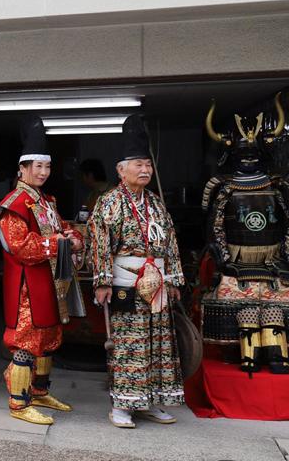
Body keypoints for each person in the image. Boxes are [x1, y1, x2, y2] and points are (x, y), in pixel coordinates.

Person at [89, 115, 185, 429]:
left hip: (157, 285)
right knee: (129, 342)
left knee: (158, 343)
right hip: (126, 283)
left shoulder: (156, 203)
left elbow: (169, 241)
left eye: (148, 165)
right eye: (138, 165)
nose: (145, 170)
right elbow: (101, 242)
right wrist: (102, 280)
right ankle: (123, 405)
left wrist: (173, 278)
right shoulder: (110, 202)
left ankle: (150, 401)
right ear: (121, 170)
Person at [200, 97, 289, 375]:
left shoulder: (279, 186)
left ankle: (277, 356)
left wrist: (285, 256)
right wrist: (223, 260)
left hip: (273, 260)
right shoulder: (224, 188)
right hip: (236, 258)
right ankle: (241, 354)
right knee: (229, 300)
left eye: (253, 153)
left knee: (288, 299)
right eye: (242, 153)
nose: (248, 158)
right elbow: (216, 227)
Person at [0, 118, 82, 426]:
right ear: (22, 168)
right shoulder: (15, 203)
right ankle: (18, 403)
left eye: (47, 167)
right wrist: (58, 243)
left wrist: (73, 237)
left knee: (49, 335)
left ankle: (39, 390)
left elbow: (63, 228)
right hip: (25, 285)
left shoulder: (46, 201)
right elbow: (20, 246)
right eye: (37, 167)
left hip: (48, 281)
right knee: (26, 341)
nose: (43, 173)